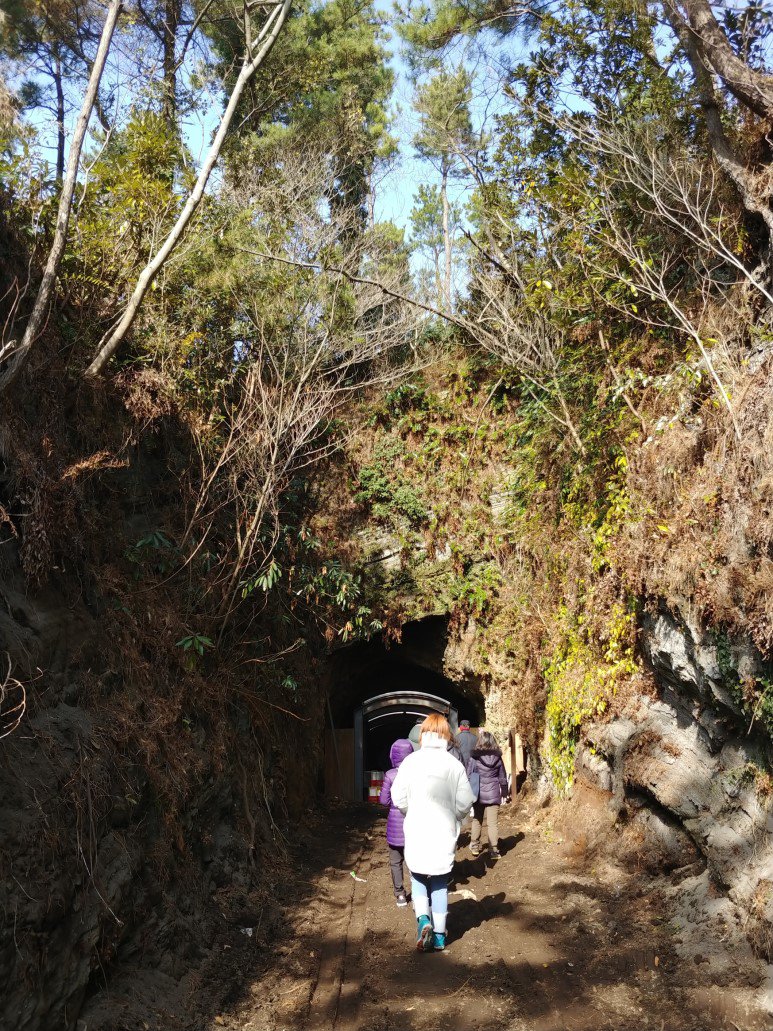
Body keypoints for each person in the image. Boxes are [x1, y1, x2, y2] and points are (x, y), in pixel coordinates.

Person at [391, 713, 475, 952]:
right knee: (439, 882)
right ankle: (439, 938)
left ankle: (423, 921)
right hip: (443, 831)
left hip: (417, 828)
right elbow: (465, 801)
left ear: (423, 734)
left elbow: (398, 797)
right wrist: (455, 817)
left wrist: (410, 812)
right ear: (446, 735)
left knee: (417, 877)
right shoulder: (454, 765)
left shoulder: (410, 762)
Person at [379, 739, 414, 907]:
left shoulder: (390, 775)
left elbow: (383, 801)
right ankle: (418, 891)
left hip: (394, 825)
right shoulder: (418, 773)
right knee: (414, 859)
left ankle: (400, 894)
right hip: (414, 823)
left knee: (395, 861)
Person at [467, 729, 509, 859]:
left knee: (477, 820)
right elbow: (502, 776)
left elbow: (468, 775)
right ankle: (494, 850)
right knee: (492, 823)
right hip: (493, 793)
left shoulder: (474, 757)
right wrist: (505, 791)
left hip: (478, 793)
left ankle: (474, 846)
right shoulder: (497, 758)